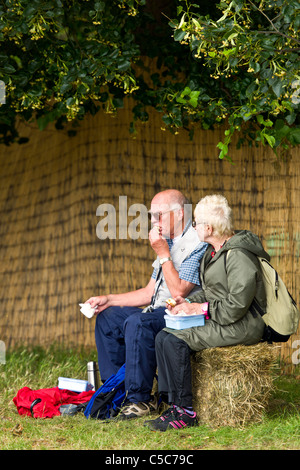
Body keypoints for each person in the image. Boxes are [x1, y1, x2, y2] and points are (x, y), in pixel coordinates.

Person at [145, 194, 268, 432]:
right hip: (223, 317)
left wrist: (198, 308)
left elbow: (235, 307)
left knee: (176, 339)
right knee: (164, 335)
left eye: (196, 223)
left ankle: (186, 411)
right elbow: (212, 292)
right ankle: (173, 405)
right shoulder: (213, 252)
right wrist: (186, 300)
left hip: (243, 324)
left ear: (209, 228)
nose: (193, 227)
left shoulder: (239, 256)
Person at [85, 189, 207, 419]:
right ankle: (115, 390)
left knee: (138, 322)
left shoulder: (196, 243)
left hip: (179, 313)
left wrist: (163, 253)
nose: (153, 222)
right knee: (108, 317)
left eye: (158, 215)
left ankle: (140, 400)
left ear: (180, 213)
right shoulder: (168, 240)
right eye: (151, 215)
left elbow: (179, 290)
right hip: (156, 310)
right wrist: (108, 300)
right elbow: (149, 292)